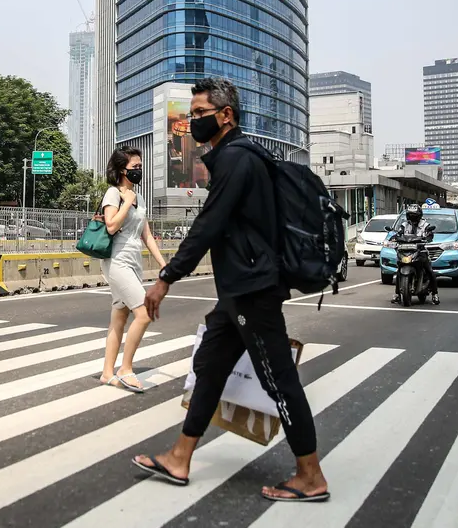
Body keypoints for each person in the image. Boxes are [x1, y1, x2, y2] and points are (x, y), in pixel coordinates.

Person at [134, 77, 329, 503]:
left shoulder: (238, 160)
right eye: (190, 115)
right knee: (211, 365)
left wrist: (166, 278)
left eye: (200, 114)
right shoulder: (240, 156)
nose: (192, 122)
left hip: (252, 289)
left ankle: (310, 475)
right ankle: (180, 457)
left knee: (278, 379)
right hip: (241, 288)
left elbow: (209, 224)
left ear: (226, 116)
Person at [97, 146, 166, 393]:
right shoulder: (113, 194)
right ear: (120, 170)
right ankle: (126, 368)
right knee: (144, 314)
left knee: (119, 318)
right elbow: (112, 225)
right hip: (117, 261)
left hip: (133, 262)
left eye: (140, 167)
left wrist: (163, 263)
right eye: (133, 168)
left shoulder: (141, 197)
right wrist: (126, 202)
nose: (138, 171)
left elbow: (146, 234)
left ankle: (107, 374)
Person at [390, 203, 439, 305]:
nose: (412, 218)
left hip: (420, 251)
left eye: (415, 215)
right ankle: (397, 294)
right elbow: (398, 233)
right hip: (405, 250)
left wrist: (429, 236)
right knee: (399, 270)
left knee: (430, 271)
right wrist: (394, 237)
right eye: (410, 215)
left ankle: (435, 294)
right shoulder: (404, 225)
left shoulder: (425, 225)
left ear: (419, 215)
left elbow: (430, 235)